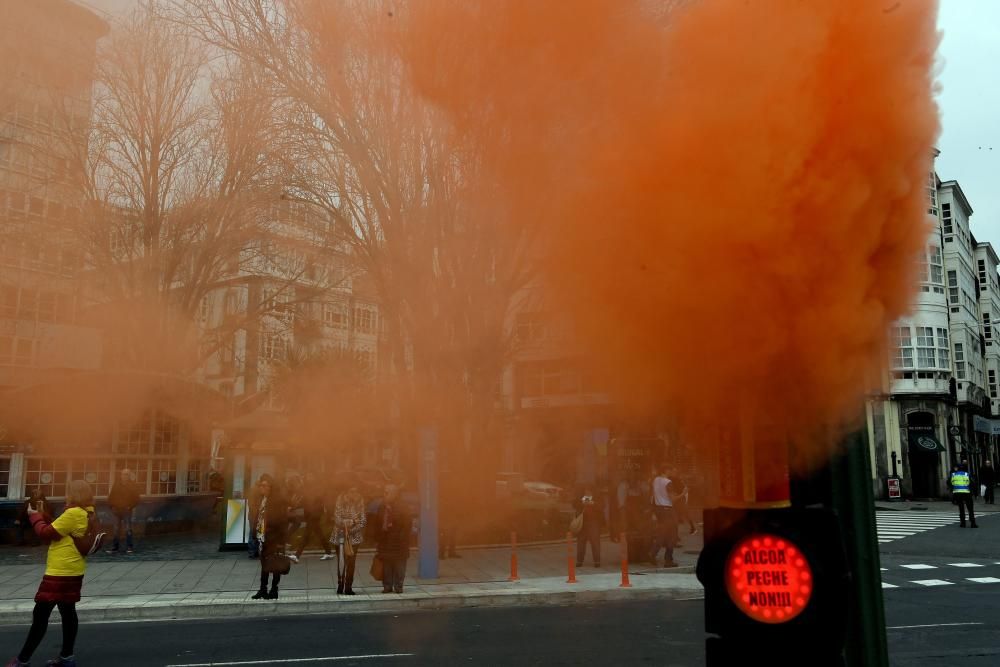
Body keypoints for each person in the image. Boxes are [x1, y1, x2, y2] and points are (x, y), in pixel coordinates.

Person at [6, 480, 95, 667]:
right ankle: (67, 658)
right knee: (68, 613)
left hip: (60, 572)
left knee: (40, 616)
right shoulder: (87, 512)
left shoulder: (72, 513)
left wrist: (34, 517)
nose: (66, 495)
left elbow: (46, 533)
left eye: (68, 491)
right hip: (74, 569)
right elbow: (58, 529)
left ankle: (22, 660)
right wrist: (43, 515)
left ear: (74, 494)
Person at [252, 476, 289, 600]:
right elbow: (258, 517)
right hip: (262, 537)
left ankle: (274, 589)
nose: (261, 488)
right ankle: (263, 589)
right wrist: (255, 533)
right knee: (264, 564)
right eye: (260, 485)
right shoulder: (262, 499)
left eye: (264, 486)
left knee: (275, 563)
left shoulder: (277, 502)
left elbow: (283, 522)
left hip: (274, 538)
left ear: (270, 488)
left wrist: (281, 541)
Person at [375, 484, 412, 594]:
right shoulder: (382, 506)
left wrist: (401, 538)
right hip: (385, 541)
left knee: (399, 566)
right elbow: (378, 523)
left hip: (399, 542)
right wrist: (378, 538)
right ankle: (387, 586)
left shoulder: (403, 506)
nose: (385, 494)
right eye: (384, 491)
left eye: (387, 492)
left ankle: (398, 586)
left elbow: (407, 525)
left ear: (395, 494)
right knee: (387, 566)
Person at [333, 479, 367, 595]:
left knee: (351, 562)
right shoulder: (340, 499)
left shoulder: (360, 500)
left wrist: (350, 529)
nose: (354, 493)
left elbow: (362, 521)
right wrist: (352, 521)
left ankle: (348, 586)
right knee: (341, 561)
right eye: (352, 491)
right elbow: (337, 519)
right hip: (340, 535)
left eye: (356, 491)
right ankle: (340, 584)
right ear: (347, 491)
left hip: (354, 536)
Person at [294, 472, 333, 562]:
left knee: (306, 535)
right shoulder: (308, 487)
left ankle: (297, 555)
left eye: (309, 476)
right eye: (307, 476)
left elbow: (316, 500)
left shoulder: (317, 487)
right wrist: (294, 507)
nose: (307, 478)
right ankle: (329, 552)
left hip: (314, 514)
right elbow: (305, 501)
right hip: (310, 514)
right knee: (319, 534)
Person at [649, 465, 679, 567]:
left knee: (662, 533)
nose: (671, 472)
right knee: (672, 535)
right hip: (668, 511)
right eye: (670, 470)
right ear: (666, 470)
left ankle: (652, 553)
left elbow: (653, 494)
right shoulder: (668, 482)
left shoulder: (655, 480)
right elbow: (673, 499)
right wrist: (683, 494)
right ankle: (668, 560)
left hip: (659, 510)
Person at [107, 468, 140, 554]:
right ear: (121, 475)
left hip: (126, 510)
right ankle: (115, 547)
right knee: (116, 529)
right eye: (123, 474)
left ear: (129, 476)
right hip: (116, 510)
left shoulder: (133, 485)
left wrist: (130, 506)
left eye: (127, 474)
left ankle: (129, 547)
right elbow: (111, 496)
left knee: (128, 529)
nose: (125, 476)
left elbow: (137, 498)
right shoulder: (117, 484)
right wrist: (112, 506)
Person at [574, 487, 602, 568]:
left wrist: (593, 503)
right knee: (581, 542)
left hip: (593, 522)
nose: (587, 492)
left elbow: (601, 507)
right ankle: (579, 561)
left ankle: (597, 561)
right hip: (583, 522)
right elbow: (574, 504)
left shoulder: (597, 497)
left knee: (595, 542)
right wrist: (582, 503)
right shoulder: (580, 497)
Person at [246, 474, 273, 560]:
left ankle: (253, 551)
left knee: (254, 531)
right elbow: (255, 503)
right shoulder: (259, 489)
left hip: (253, 514)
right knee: (254, 532)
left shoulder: (254, 488)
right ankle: (253, 551)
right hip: (255, 514)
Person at [670, 469, 697, 536]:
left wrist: (681, 496)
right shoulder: (674, 479)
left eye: (673, 472)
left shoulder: (675, 479)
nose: (672, 472)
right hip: (680, 498)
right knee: (683, 513)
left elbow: (683, 489)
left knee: (683, 513)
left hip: (679, 498)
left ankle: (692, 528)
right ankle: (691, 527)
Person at [951, 461, 978, 528]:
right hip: (967, 493)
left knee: (961, 508)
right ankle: (973, 523)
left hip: (958, 493)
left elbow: (951, 483)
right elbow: (972, 484)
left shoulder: (953, 475)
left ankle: (963, 523)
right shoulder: (967, 474)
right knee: (970, 509)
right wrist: (975, 493)